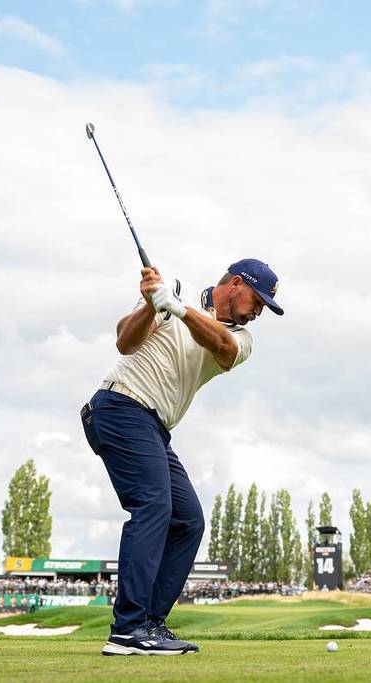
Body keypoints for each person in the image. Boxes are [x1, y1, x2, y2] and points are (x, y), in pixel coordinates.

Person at [81, 259, 284, 655]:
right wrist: (151, 304)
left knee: (188, 520)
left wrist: (178, 309)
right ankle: (128, 630)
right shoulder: (173, 288)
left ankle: (150, 624)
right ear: (236, 284)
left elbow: (222, 348)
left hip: (154, 427)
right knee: (154, 506)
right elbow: (125, 342)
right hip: (120, 407)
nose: (259, 311)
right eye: (257, 301)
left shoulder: (240, 338)